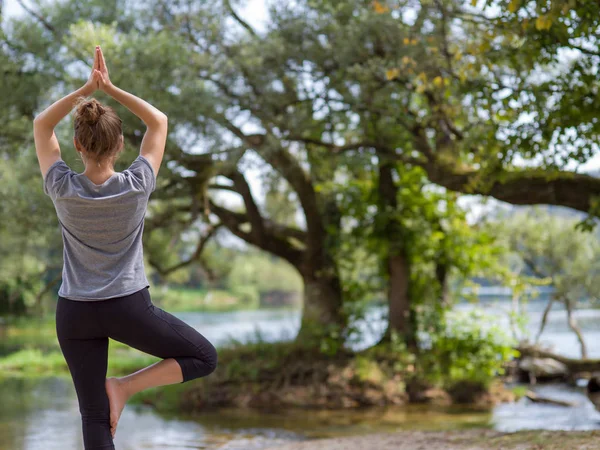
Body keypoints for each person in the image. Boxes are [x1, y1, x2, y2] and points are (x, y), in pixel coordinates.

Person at [34, 46, 218, 449]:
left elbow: (42, 126)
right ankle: (126, 387)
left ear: (78, 146)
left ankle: (115, 392)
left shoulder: (62, 188)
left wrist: (85, 91)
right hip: (127, 307)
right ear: (120, 145)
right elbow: (159, 122)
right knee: (204, 357)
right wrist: (110, 90)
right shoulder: (137, 186)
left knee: (94, 418)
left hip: (75, 313)